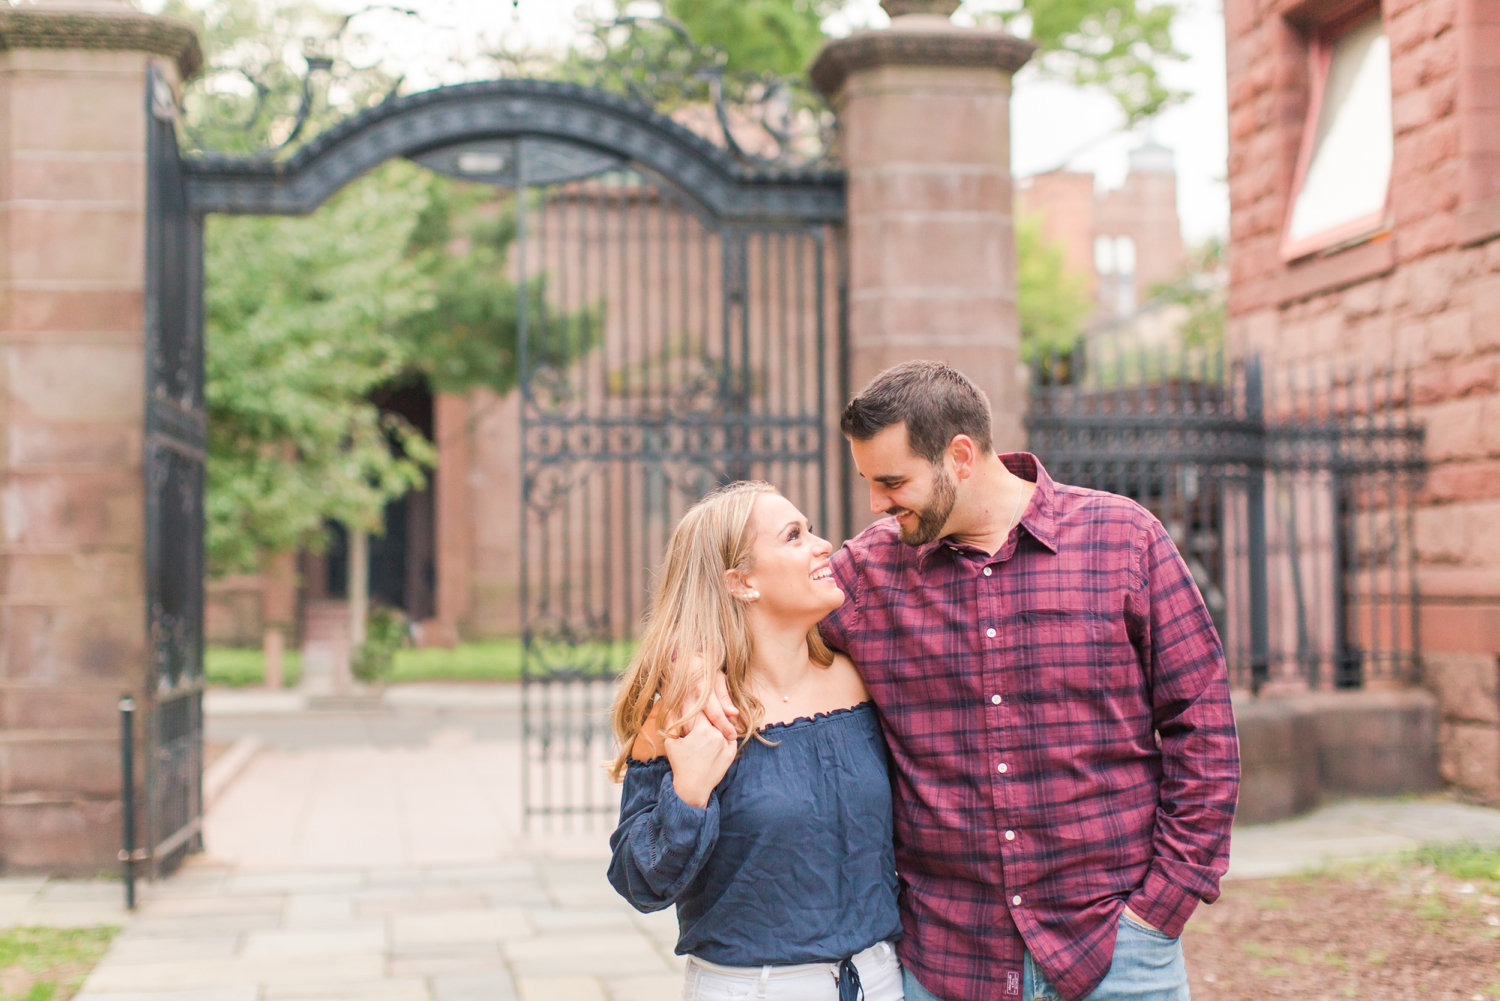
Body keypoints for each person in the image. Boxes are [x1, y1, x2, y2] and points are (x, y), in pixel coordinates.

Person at [698, 362, 1240, 1001]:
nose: (877, 504)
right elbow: (763, 618)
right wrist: (696, 676)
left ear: (959, 456)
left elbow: (1202, 726)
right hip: (950, 964)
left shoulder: (1125, 540)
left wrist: (1162, 905)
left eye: (893, 481)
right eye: (869, 482)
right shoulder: (867, 577)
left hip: (1117, 954)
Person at [606, 480, 905, 1001]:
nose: (823, 545)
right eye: (794, 536)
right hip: (753, 988)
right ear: (740, 581)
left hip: (879, 980)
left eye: (810, 530)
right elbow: (641, 883)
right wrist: (689, 794)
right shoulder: (689, 711)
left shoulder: (862, 679)